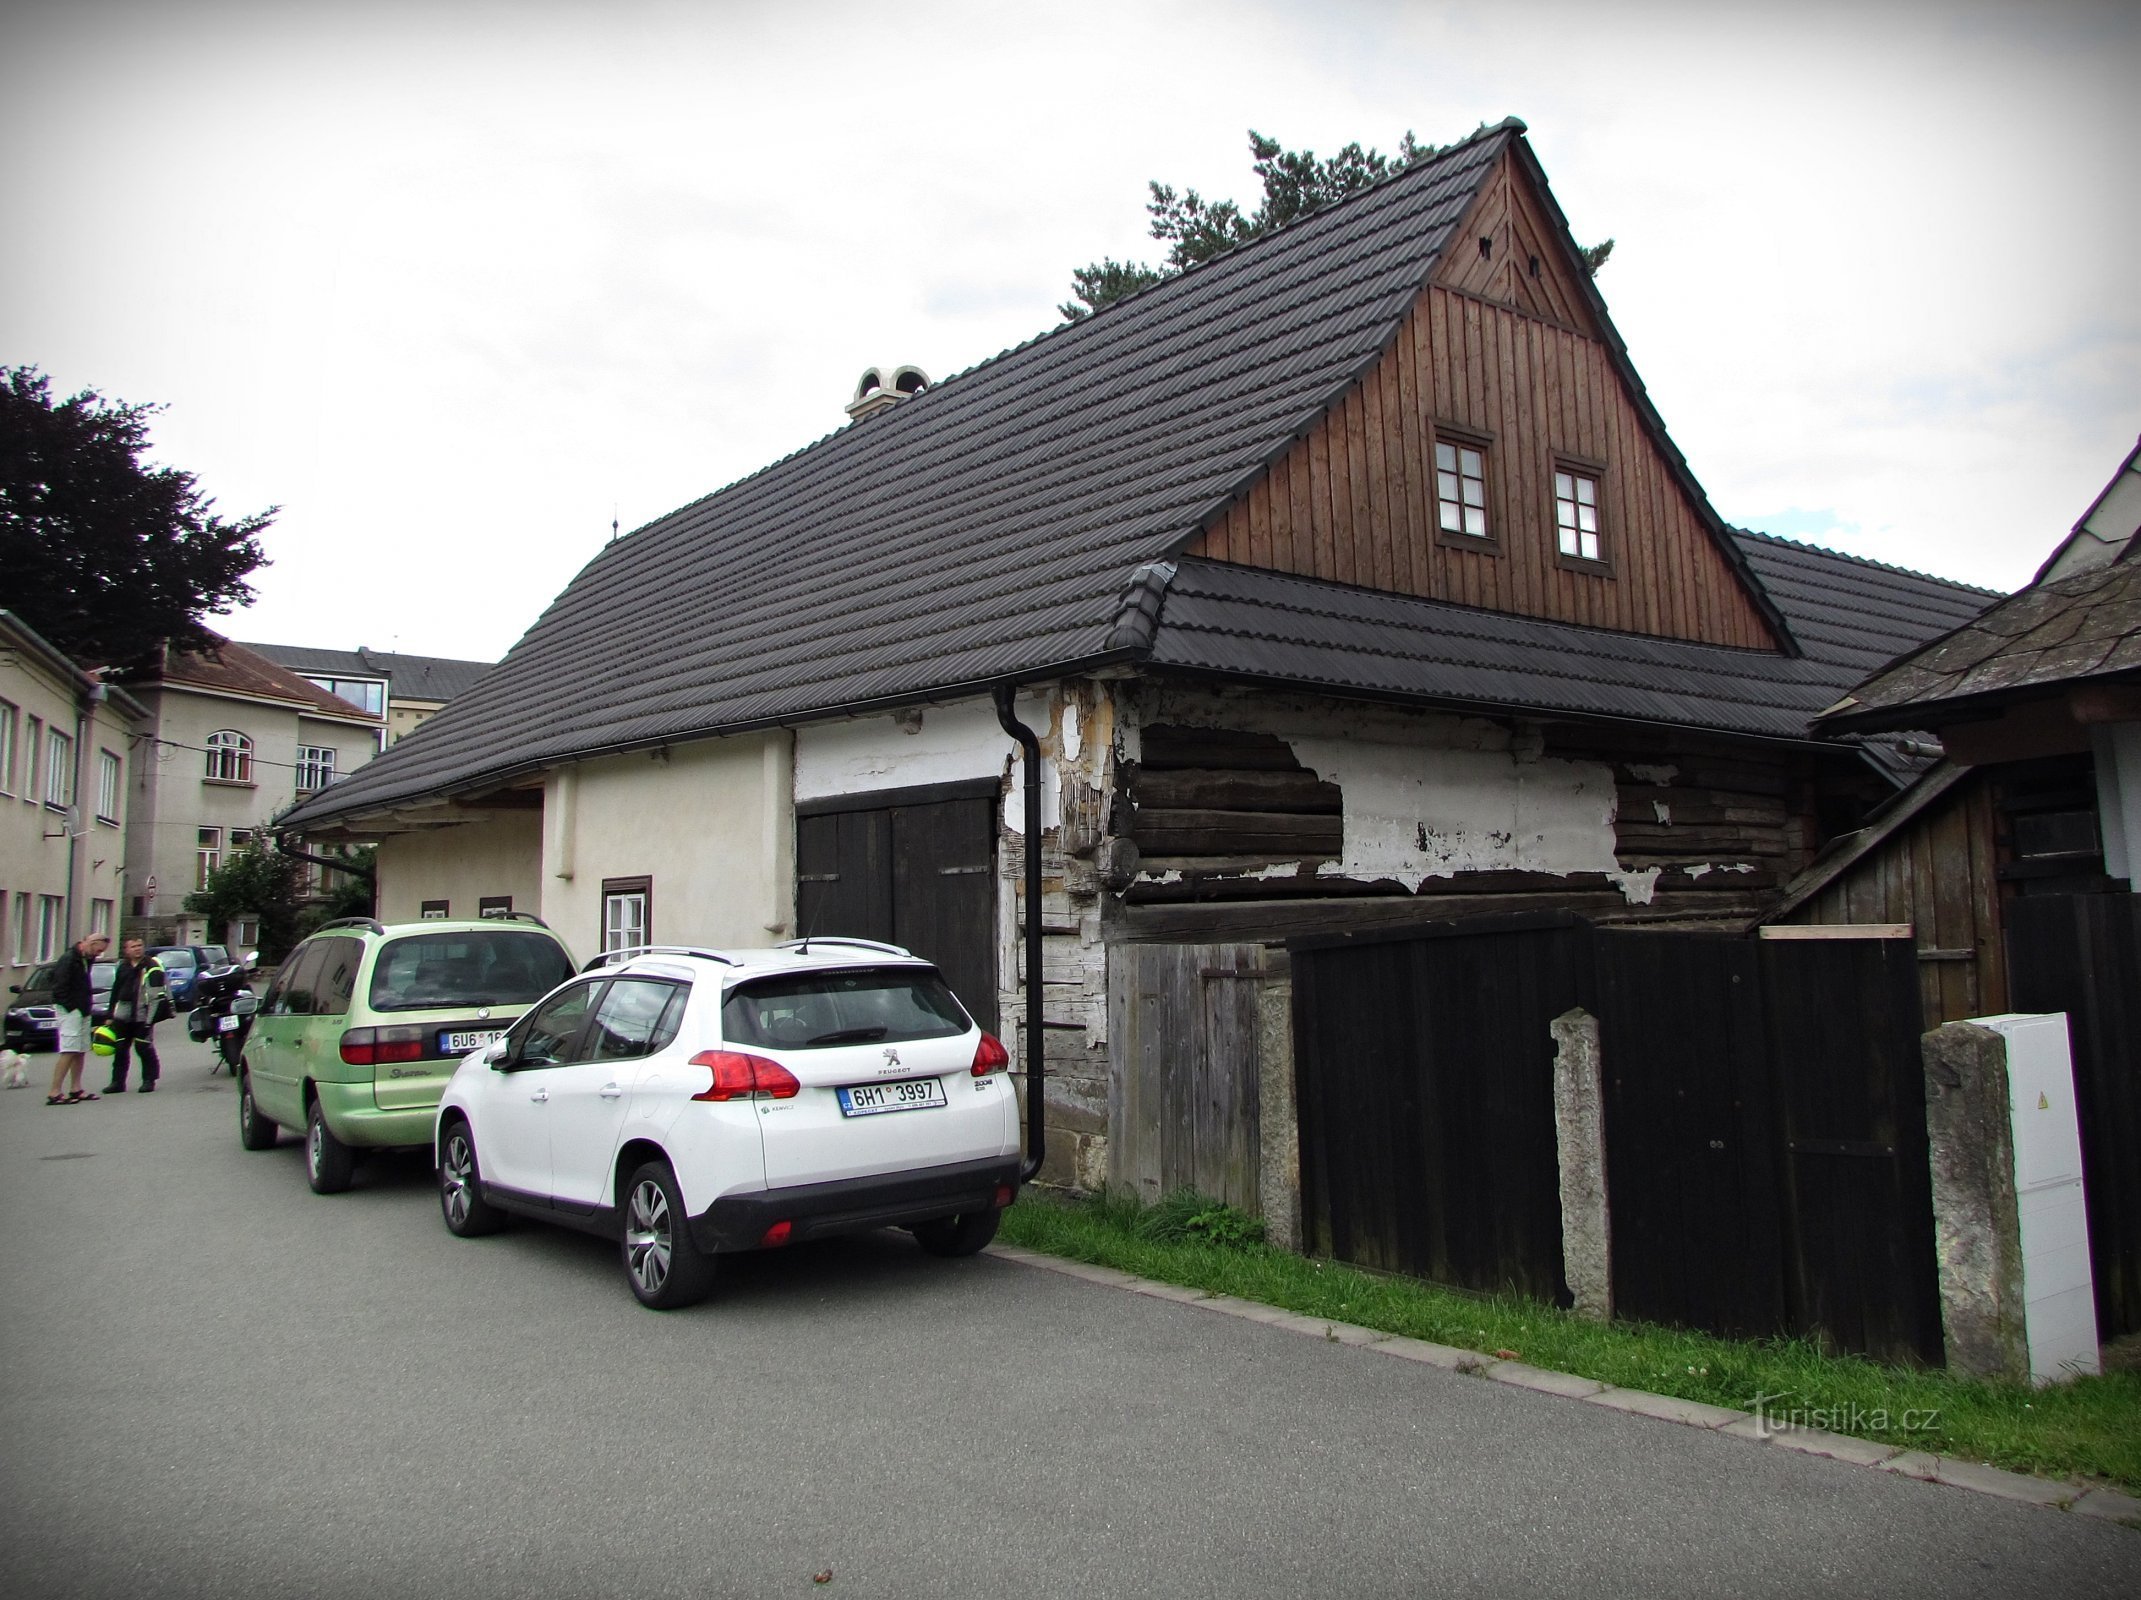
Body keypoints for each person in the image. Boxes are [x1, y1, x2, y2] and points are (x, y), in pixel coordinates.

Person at [45, 931, 110, 1105]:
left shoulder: (86, 959)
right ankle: (55, 1092)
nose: (98, 954)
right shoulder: (68, 959)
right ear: (91, 942)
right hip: (70, 1010)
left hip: (83, 1009)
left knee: (81, 1050)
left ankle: (76, 1088)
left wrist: (85, 1007)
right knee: (69, 1049)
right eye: (98, 950)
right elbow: (59, 986)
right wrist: (71, 1008)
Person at [102, 936, 167, 1094]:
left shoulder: (151, 965)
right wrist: (110, 1014)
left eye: (140, 945)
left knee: (143, 1047)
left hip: (143, 1012)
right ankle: (117, 1082)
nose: (137, 949)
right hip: (123, 1012)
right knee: (120, 1048)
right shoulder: (123, 966)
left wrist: (150, 1020)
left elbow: (156, 995)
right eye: (133, 946)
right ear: (126, 950)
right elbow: (116, 990)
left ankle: (149, 1080)